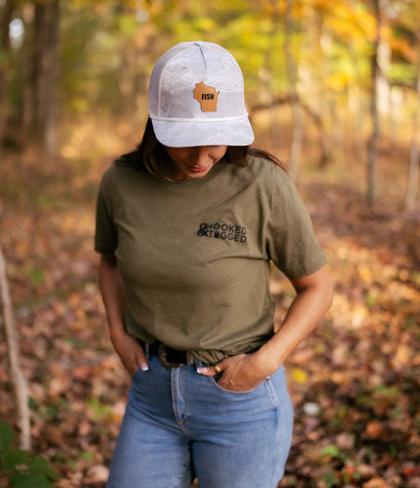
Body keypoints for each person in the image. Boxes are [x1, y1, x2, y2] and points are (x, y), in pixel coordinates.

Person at [95, 41, 333, 488]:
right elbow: (109, 261)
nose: (202, 156)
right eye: (186, 141)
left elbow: (317, 288)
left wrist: (265, 362)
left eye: (217, 138)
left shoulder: (263, 185)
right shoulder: (120, 183)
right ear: (158, 125)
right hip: (151, 399)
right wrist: (116, 330)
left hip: (240, 404)